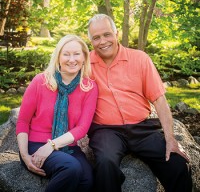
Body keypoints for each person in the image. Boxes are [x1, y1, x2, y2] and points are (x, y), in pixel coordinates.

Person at [87, 14, 192, 192]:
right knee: (105, 164)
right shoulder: (86, 65)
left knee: (178, 164)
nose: (103, 41)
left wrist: (170, 139)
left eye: (107, 34)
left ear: (116, 34)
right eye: (96, 37)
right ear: (90, 41)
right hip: (106, 131)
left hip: (143, 129)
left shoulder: (140, 58)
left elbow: (159, 100)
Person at [16, 34, 98, 192]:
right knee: (71, 168)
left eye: (76, 54)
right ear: (58, 57)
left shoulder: (89, 87)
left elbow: (82, 128)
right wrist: (25, 155)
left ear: (84, 57)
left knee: (87, 180)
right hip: (35, 145)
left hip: (66, 147)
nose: (72, 59)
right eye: (66, 54)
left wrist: (51, 145)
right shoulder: (40, 81)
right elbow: (23, 122)